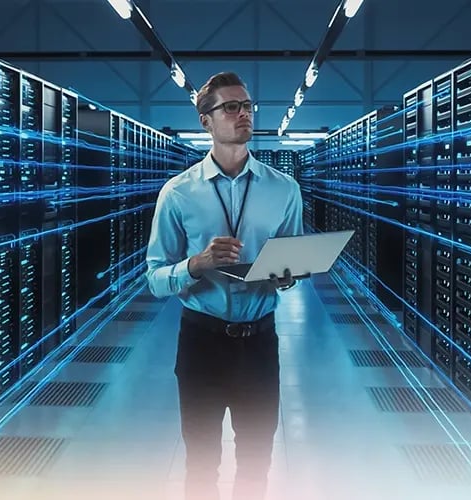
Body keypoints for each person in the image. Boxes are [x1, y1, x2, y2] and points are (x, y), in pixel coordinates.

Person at [144, 71, 305, 500]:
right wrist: (195, 264)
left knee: (257, 460)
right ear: (206, 121)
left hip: (259, 344)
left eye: (248, 106)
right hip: (202, 341)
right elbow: (154, 277)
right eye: (231, 107)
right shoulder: (177, 194)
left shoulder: (285, 190)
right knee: (201, 461)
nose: (243, 115)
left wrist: (287, 276)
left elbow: (291, 260)